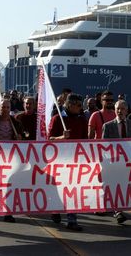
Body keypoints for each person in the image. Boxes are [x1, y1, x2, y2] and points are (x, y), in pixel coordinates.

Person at [48, 93, 88, 231]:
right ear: (69, 105)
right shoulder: (57, 119)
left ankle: (72, 220)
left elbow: (85, 141)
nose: (80, 108)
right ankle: (55, 210)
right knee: (58, 189)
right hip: (59, 161)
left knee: (73, 190)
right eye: (78, 105)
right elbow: (49, 140)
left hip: (75, 161)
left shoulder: (82, 120)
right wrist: (61, 138)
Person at [0, 99, 24, 223]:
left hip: (11, 159)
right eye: (3, 107)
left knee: (9, 186)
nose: (5, 110)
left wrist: (20, 138)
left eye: (8, 107)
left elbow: (23, 140)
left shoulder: (16, 124)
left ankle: (8, 212)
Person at [102, 100, 131, 224]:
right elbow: (104, 146)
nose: (119, 111)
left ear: (127, 111)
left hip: (128, 163)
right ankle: (118, 211)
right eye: (117, 108)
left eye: (122, 109)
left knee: (124, 186)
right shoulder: (108, 126)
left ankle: (120, 208)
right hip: (114, 163)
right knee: (115, 186)